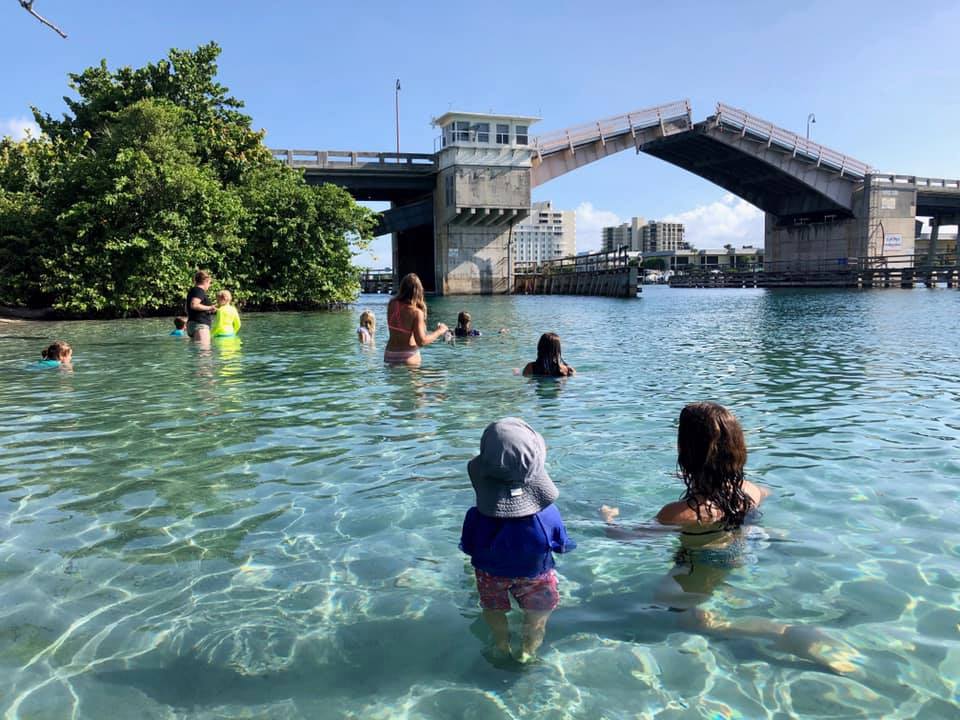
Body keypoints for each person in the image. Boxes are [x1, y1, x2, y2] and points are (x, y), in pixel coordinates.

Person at [599, 402, 858, 674]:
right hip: (739, 550)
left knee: (682, 614)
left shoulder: (680, 513)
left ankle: (780, 633)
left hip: (700, 566)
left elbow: (624, 536)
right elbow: (764, 493)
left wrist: (608, 517)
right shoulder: (751, 490)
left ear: (685, 452)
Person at [460, 418, 576, 663]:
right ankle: (528, 651)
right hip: (536, 575)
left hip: (490, 576)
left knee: (493, 609)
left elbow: (469, 548)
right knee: (537, 614)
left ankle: (501, 643)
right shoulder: (548, 515)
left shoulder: (475, 516)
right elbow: (561, 545)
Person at [383, 273, 448, 366]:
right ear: (419, 291)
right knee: (441, 379)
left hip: (389, 355)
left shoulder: (392, 304)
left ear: (402, 288)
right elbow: (421, 341)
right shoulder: (416, 313)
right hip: (408, 357)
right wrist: (439, 331)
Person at [185, 270, 217, 343]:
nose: (209, 285)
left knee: (196, 353)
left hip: (192, 324)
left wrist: (206, 310)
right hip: (200, 326)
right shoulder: (199, 291)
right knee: (204, 352)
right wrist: (210, 307)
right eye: (209, 283)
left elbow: (187, 309)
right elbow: (194, 305)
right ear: (205, 281)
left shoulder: (192, 291)